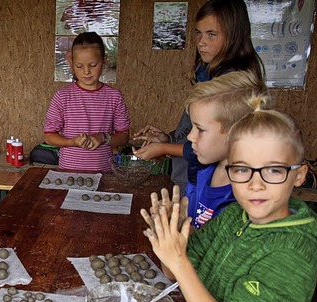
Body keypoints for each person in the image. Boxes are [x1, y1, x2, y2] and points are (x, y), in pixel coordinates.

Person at [142, 100, 316, 302]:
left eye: (273, 170)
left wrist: (178, 260)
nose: (255, 184)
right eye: (242, 169)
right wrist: (169, 236)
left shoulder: (293, 253)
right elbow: (175, 273)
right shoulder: (234, 216)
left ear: (299, 175)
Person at [133, 0, 265, 193]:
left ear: (234, 37)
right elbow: (199, 131)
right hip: (191, 180)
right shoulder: (207, 73)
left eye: (212, 34)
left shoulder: (232, 86)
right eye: (198, 33)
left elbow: (213, 147)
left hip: (211, 188)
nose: (201, 42)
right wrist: (168, 138)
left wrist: (164, 149)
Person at [183, 71, 267, 228]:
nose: (190, 136)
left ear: (236, 134)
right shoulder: (203, 166)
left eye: (200, 129)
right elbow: (189, 203)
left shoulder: (247, 198)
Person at [43, 31, 130, 172]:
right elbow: (48, 135)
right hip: (69, 172)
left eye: (93, 65)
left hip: (104, 173)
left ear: (104, 60)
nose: (86, 71)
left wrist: (103, 138)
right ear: (71, 62)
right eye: (79, 66)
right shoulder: (62, 96)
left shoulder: (114, 96)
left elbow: (124, 137)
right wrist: (71, 142)